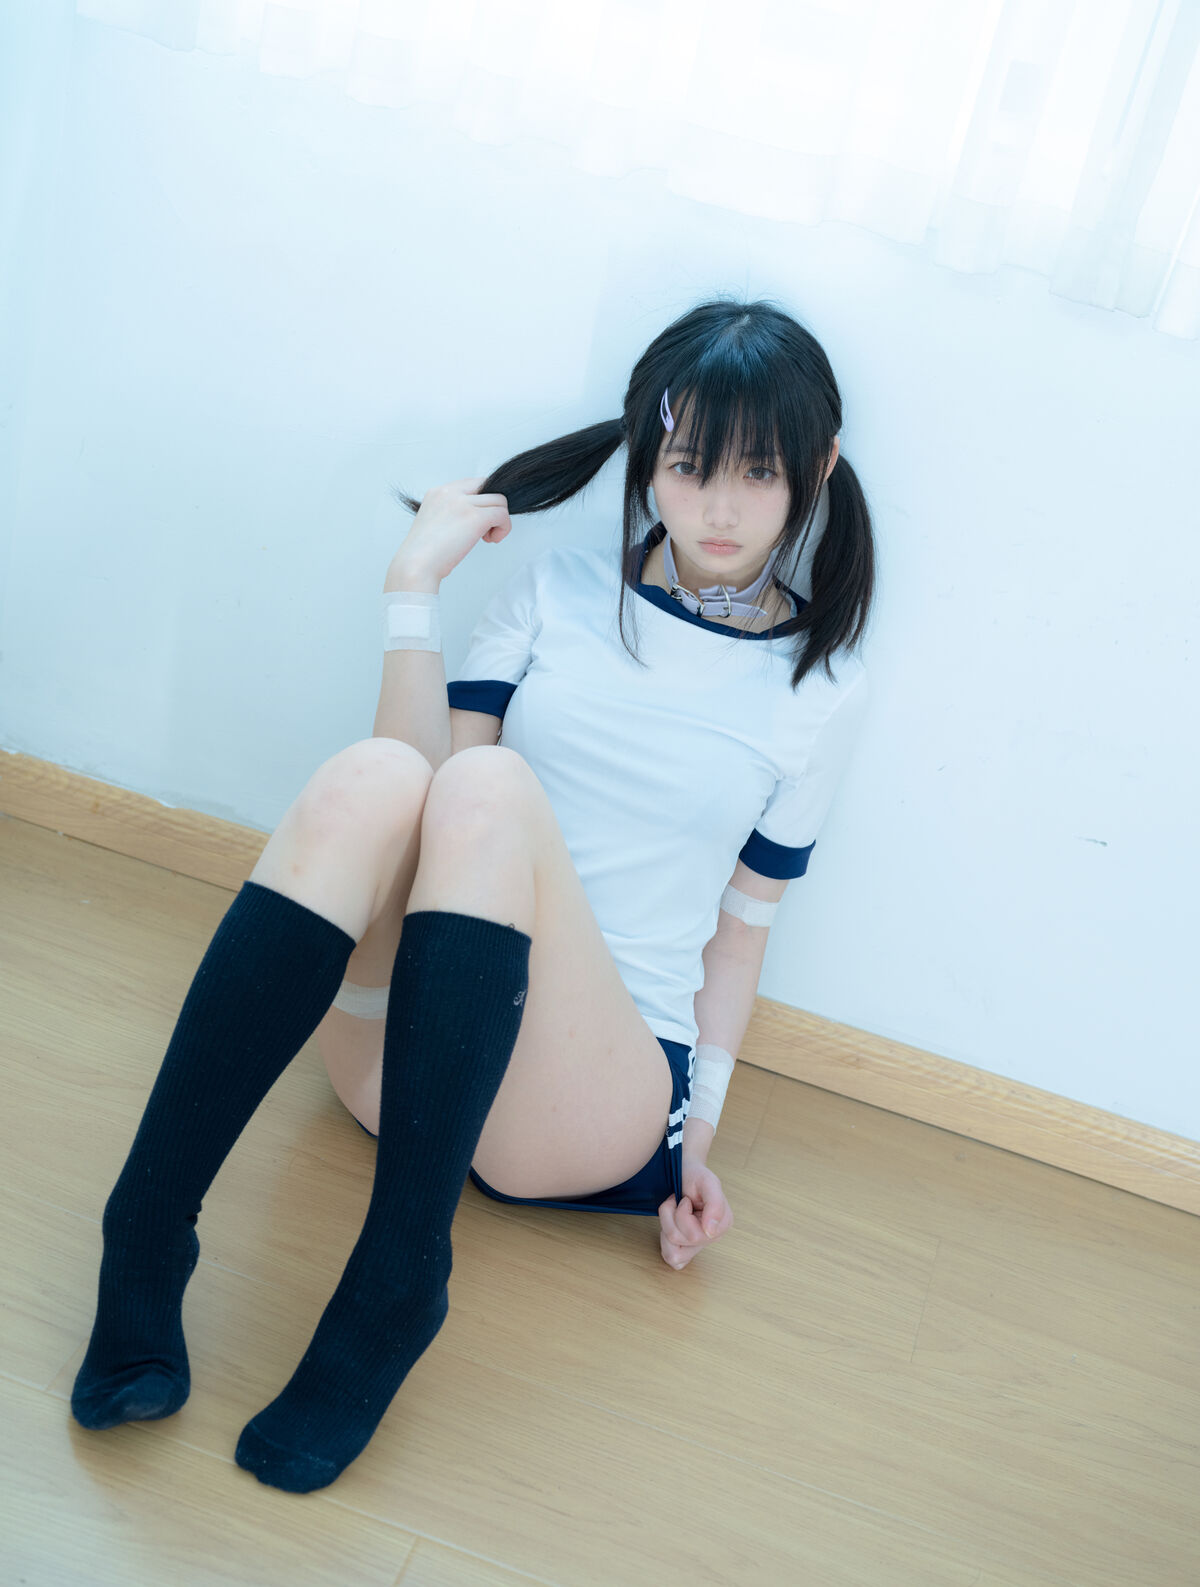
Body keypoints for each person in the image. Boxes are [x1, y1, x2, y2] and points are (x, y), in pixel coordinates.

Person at [70, 295, 876, 1494]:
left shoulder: (820, 688)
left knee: (489, 787)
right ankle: (144, 1227)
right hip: (408, 1068)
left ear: (818, 469)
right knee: (377, 780)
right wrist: (412, 589)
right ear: (648, 457)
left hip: (588, 1102)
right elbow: (417, 802)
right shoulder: (558, 595)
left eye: (757, 474)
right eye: (690, 467)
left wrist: (697, 1139)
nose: (719, 507)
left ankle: (395, 1280)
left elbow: (743, 931)